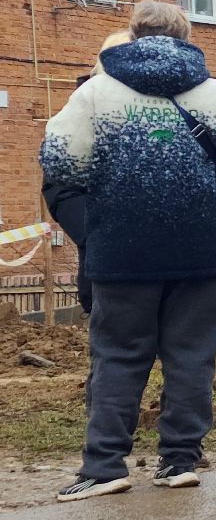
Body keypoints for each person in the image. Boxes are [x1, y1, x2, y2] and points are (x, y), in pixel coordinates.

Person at [38, 2, 216, 501]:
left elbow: (59, 163)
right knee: (193, 357)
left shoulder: (95, 94)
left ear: (133, 35)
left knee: (118, 356)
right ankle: (179, 462)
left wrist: (114, 183)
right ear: (187, 35)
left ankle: (105, 466)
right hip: (203, 250)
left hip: (122, 249)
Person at [40, 32, 133, 316]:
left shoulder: (159, 108)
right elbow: (60, 187)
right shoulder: (82, 110)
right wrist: (96, 234)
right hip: (107, 272)